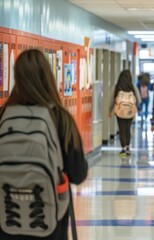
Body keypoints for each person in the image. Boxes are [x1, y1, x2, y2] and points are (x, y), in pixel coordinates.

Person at [0, 49, 88, 240]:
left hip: (7, 218)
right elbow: (78, 173)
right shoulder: (60, 118)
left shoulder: (2, 116)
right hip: (49, 219)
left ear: (16, 76)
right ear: (48, 76)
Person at [109, 70, 141, 156]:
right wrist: (135, 105)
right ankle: (127, 147)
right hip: (130, 112)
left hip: (119, 111)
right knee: (128, 129)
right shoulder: (132, 87)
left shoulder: (116, 86)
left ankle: (123, 148)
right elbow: (138, 99)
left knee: (121, 129)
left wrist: (110, 110)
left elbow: (112, 100)